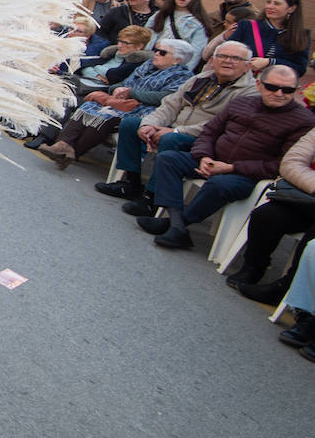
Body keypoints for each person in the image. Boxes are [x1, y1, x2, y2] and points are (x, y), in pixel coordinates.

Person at [130, 64, 315, 250]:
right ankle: (176, 224)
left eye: (288, 90)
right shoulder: (242, 103)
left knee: (219, 184)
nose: (279, 93)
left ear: (297, 91)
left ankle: (177, 225)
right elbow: (209, 132)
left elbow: (281, 164)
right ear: (259, 84)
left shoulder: (303, 121)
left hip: (247, 174)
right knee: (169, 159)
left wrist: (231, 168)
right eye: (272, 87)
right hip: (213, 159)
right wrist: (204, 156)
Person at [95, 40, 258, 201]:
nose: (227, 61)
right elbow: (171, 104)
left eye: (236, 58)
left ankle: (152, 196)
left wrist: (176, 131)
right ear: (213, 60)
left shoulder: (250, 93)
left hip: (203, 139)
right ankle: (131, 183)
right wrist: (149, 124)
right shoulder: (201, 78)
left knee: (171, 139)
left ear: (247, 65)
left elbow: (221, 125)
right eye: (222, 56)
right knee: (131, 124)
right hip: (173, 127)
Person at [35, 39, 196, 168]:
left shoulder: (182, 76)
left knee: (106, 116)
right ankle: (62, 145)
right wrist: (118, 89)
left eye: (162, 52)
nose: (156, 54)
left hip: (144, 108)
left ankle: (72, 152)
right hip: (121, 101)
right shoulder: (147, 65)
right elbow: (124, 83)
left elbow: (165, 97)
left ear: (177, 60)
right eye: (155, 50)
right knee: (89, 106)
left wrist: (131, 93)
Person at [225, 126, 315, 303]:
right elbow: (291, 162)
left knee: (313, 240)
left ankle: (286, 287)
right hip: (307, 196)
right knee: (266, 215)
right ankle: (254, 267)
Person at [230, 0, 310, 77]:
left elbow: (300, 69)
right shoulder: (247, 26)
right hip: (243, 82)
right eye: (268, 2)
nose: (270, 7)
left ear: (291, 8)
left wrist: (270, 62)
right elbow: (228, 52)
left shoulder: (301, 36)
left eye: (277, 4)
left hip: (275, 87)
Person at [144, 0, 213, 60]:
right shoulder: (159, 15)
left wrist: (181, 71)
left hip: (175, 65)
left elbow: (195, 54)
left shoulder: (199, 23)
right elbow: (145, 38)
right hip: (150, 60)